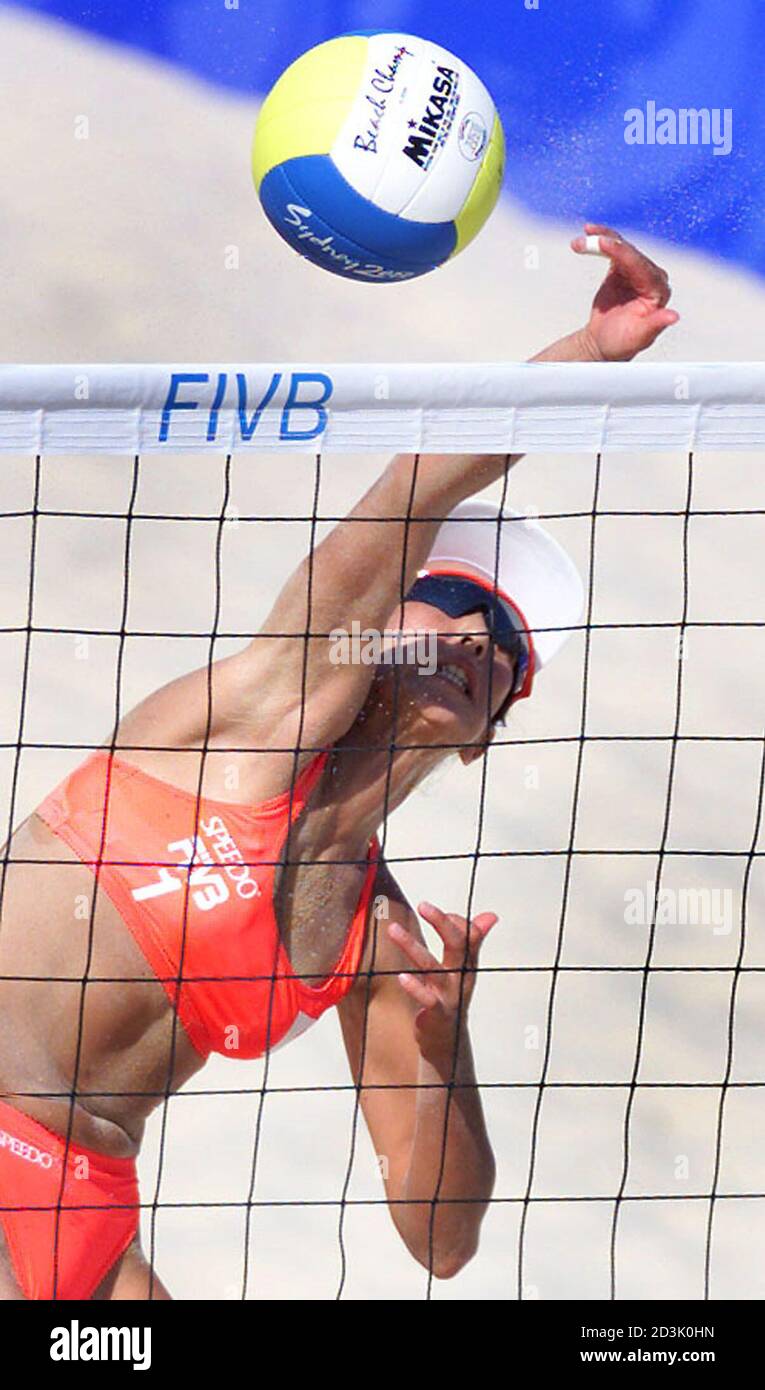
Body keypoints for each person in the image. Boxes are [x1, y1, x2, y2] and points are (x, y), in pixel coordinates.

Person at [0, 225, 678, 1300]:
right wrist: (587, 359)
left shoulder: (380, 934)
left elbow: (440, 1238)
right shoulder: (256, 712)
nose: (470, 640)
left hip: (77, 1205)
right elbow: (418, 486)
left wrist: (446, 1042)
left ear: (488, 733)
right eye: (450, 603)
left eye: (502, 650)